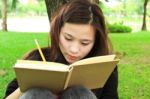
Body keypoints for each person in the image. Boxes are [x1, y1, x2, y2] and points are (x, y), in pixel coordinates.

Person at [4, 0, 118, 99]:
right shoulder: (37, 58)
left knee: (79, 93)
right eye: (68, 38)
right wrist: (28, 85)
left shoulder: (103, 67)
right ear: (57, 32)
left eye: (85, 43)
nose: (74, 49)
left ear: (96, 42)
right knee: (37, 93)